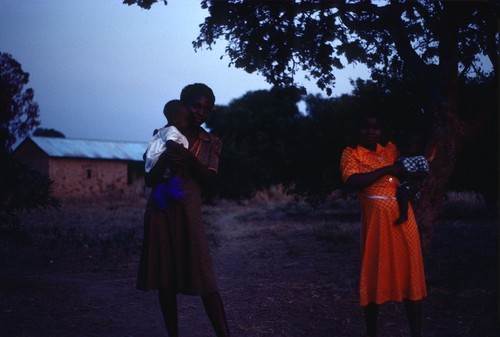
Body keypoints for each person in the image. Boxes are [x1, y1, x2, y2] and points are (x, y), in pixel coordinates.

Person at [137, 83, 230, 337]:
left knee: (205, 279)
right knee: (164, 280)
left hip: (189, 213)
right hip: (160, 211)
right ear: (182, 104)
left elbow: (211, 179)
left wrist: (188, 158)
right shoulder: (161, 135)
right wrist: (167, 155)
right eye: (195, 105)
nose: (200, 112)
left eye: (206, 109)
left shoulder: (211, 142)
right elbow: (149, 179)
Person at [340, 112, 427, 337]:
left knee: (410, 274)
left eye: (376, 128)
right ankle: (372, 332)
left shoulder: (390, 150)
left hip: (403, 220)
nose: (371, 131)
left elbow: (408, 172)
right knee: (374, 272)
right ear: (356, 130)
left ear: (382, 131)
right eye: (365, 127)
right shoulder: (351, 154)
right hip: (377, 224)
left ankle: (416, 333)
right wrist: (388, 170)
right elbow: (353, 181)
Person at [144, 100, 190, 210]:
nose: (188, 122)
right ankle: (174, 191)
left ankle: (160, 197)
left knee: (161, 183)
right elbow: (170, 143)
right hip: (165, 160)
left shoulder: (162, 130)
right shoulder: (173, 130)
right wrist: (182, 151)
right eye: (186, 119)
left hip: (154, 161)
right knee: (176, 175)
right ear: (175, 119)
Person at [394, 132, 430, 225]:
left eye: (414, 144)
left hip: (412, 184)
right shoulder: (401, 158)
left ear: (419, 146)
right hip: (401, 183)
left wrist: (410, 174)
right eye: (407, 144)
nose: (409, 146)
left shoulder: (420, 158)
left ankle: (404, 215)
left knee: (402, 192)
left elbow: (424, 173)